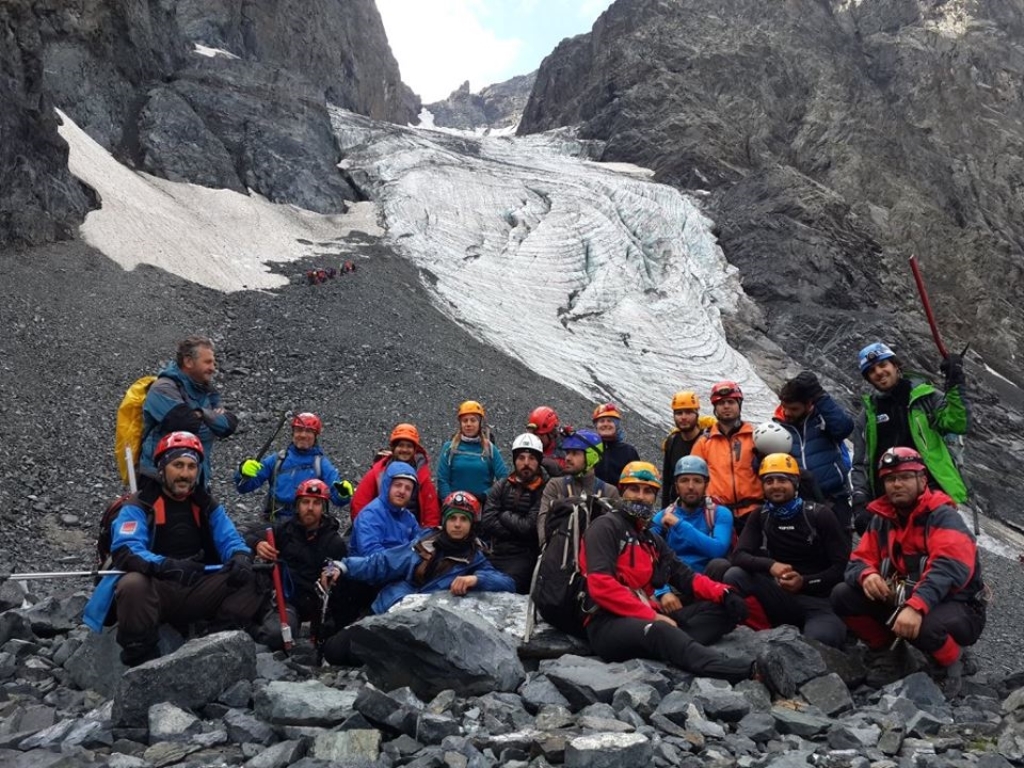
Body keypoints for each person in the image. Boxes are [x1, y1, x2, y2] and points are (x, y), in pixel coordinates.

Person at [84, 432, 263, 666]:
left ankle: (214, 642)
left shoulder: (205, 504)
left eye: (191, 466)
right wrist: (168, 566)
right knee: (132, 584)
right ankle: (142, 657)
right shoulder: (140, 504)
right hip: (158, 587)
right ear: (162, 467)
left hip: (197, 583)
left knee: (254, 576)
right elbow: (127, 549)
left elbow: (230, 539)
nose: (185, 474)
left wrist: (240, 556)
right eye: (178, 465)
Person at [579, 461, 755, 683]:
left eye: (648, 491)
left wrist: (725, 593)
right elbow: (601, 585)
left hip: (645, 613)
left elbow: (684, 575)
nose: (640, 496)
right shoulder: (605, 527)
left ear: (655, 497)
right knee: (661, 630)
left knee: (723, 610)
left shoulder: (650, 538)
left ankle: (673, 645)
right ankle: (743, 670)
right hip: (606, 622)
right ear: (622, 491)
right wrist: (653, 617)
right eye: (634, 489)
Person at [831, 447, 986, 696]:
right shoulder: (881, 519)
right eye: (890, 479)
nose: (896, 484)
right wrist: (867, 575)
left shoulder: (943, 516)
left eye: (905, 477)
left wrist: (916, 607)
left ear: (922, 480)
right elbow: (857, 561)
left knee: (925, 627)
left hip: (959, 605)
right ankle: (889, 656)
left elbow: (949, 568)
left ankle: (952, 662)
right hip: (906, 597)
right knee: (843, 595)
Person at [318, 492, 516, 665]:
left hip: (420, 629)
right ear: (444, 520)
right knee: (334, 649)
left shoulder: (475, 559)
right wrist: (343, 566)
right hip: (389, 608)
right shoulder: (424, 542)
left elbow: (507, 583)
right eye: (452, 518)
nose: (457, 524)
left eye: (463, 519)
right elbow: (383, 562)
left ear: (472, 524)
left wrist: (475, 579)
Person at [721, 453, 849, 648]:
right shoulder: (761, 515)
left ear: (795, 483)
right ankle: (761, 631)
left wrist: (804, 581)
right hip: (780, 596)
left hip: (819, 601)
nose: (775, 486)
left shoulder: (819, 515)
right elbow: (739, 555)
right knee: (734, 574)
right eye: (769, 481)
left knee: (819, 643)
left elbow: (841, 567)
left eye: (782, 480)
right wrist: (771, 565)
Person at [851, 342, 969, 534]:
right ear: (868, 378)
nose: (879, 372)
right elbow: (860, 464)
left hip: (931, 494)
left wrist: (956, 383)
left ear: (896, 365)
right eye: (871, 371)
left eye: (883, 365)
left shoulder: (926, 398)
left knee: (941, 546)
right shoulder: (866, 417)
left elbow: (957, 424)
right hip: (890, 501)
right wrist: (860, 500)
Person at [247, 478, 352, 650]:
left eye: (316, 503)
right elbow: (247, 534)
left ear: (324, 508)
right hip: (285, 600)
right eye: (305, 502)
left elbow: (335, 568)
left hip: (318, 605)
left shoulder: (334, 542)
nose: (310, 508)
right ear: (297, 505)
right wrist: (257, 544)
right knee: (276, 635)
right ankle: (248, 628)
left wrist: (330, 575)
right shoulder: (284, 530)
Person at [140, 336, 238, 486]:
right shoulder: (162, 388)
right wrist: (212, 419)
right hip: (158, 480)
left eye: (214, 363)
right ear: (188, 361)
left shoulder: (208, 391)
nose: (213, 368)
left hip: (196, 480)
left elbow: (229, 426)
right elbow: (188, 426)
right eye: (208, 362)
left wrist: (202, 414)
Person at [774, 372, 855, 534]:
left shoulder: (823, 419)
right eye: (784, 407)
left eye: (794, 409)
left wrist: (820, 395)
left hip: (834, 498)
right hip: (798, 502)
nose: (787, 413)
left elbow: (844, 428)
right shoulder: (777, 427)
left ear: (809, 404)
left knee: (838, 546)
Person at [234, 412, 351, 522]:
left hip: (307, 525)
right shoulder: (277, 460)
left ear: (315, 436)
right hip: (276, 522)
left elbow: (337, 499)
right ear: (293, 433)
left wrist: (343, 494)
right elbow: (243, 488)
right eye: (299, 430)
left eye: (309, 431)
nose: (303, 435)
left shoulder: (322, 465)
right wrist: (243, 473)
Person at [480, 433, 548, 593]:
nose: (526, 463)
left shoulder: (545, 489)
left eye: (532, 458)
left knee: (506, 587)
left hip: (525, 556)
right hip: (496, 552)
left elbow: (529, 527)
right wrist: (516, 531)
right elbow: (487, 520)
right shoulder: (502, 485)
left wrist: (503, 515)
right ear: (514, 460)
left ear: (539, 461)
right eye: (521, 458)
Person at [691, 381, 762, 532]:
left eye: (731, 402)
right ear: (715, 408)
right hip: (717, 514)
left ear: (739, 404)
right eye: (721, 403)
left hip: (754, 512)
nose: (726, 406)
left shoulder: (756, 438)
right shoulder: (704, 443)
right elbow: (694, 478)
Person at [651, 455, 733, 580]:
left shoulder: (719, 514)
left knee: (720, 565)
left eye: (697, 481)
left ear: (706, 485)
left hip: (708, 580)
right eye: (684, 480)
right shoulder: (662, 517)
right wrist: (663, 589)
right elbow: (647, 553)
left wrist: (679, 525)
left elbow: (718, 550)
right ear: (676, 486)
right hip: (673, 580)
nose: (690, 486)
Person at [538, 428, 620, 547]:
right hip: (556, 553)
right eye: (567, 452)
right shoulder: (555, 485)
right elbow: (542, 521)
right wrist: (548, 548)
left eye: (575, 453)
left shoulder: (609, 492)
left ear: (592, 457)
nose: (567, 458)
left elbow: (614, 535)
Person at [351, 423, 441, 528]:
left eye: (409, 446)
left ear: (415, 450)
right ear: (393, 448)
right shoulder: (378, 472)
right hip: (380, 529)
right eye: (401, 445)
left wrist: (427, 534)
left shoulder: (422, 475)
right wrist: (364, 528)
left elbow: (431, 511)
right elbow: (360, 503)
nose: (404, 450)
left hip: (412, 531)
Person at [349, 460, 425, 557]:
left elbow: (419, 543)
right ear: (387, 485)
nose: (402, 491)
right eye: (398, 485)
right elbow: (372, 555)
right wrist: (407, 559)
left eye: (408, 488)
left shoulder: (409, 518)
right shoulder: (370, 515)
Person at [437, 400, 508, 500]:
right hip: (455, 506)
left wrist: (486, 495)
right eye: (465, 420)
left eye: (473, 420)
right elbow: (442, 479)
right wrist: (449, 500)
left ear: (480, 423)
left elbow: (503, 478)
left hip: (483, 504)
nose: (468, 424)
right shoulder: (449, 448)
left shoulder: (490, 448)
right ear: (460, 424)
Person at [661, 391, 704, 507]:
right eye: (679, 413)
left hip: (703, 507)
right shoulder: (671, 441)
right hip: (677, 507)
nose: (683, 417)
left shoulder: (707, 441)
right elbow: (667, 481)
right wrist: (664, 510)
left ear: (697, 414)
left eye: (688, 412)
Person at [591, 402, 641, 486]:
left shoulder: (629, 451)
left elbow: (636, 481)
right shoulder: (588, 447)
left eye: (610, 421)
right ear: (596, 426)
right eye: (602, 421)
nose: (605, 424)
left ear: (617, 426)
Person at [526, 405, 566, 477]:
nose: (536, 438)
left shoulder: (566, 449)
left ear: (551, 433)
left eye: (540, 435)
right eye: (534, 434)